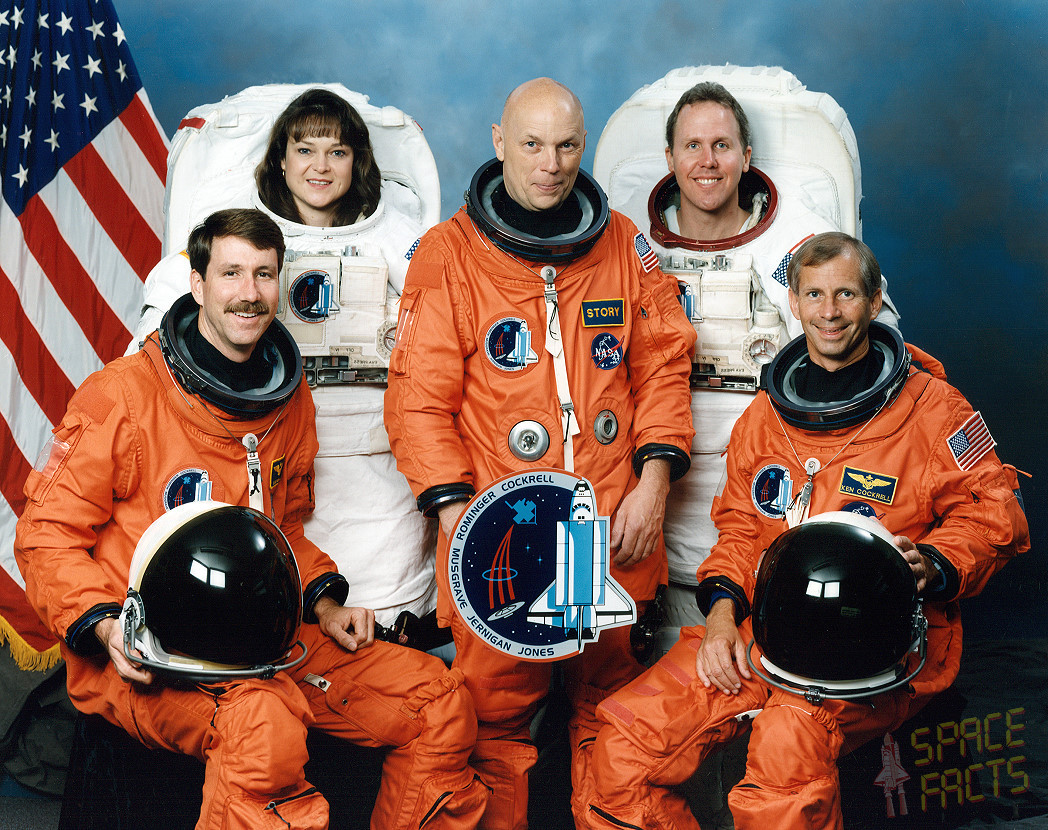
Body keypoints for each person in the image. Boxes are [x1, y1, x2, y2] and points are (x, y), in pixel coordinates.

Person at [16, 209, 488, 830]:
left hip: (263, 637)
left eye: (264, 274)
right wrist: (105, 628)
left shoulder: (286, 399)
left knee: (437, 701)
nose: (250, 292)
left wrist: (324, 605)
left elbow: (282, 528)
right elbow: (45, 535)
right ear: (197, 283)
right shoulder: (123, 396)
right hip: (154, 648)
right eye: (231, 272)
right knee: (262, 727)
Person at [584, 232, 1029, 829]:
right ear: (793, 302)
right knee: (620, 749)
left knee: (784, 751)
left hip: (874, 645)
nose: (829, 312)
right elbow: (739, 530)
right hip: (762, 632)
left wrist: (932, 561)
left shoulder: (933, 409)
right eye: (814, 295)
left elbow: (996, 513)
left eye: (845, 294)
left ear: (874, 302)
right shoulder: (764, 417)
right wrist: (721, 621)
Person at [383, 77, 696, 828]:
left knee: (614, 717)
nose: (550, 164)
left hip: (613, 527)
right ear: (499, 143)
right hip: (502, 533)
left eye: (566, 145)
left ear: (582, 146)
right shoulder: (448, 254)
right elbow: (418, 402)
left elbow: (663, 368)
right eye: (531, 144)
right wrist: (460, 521)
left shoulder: (624, 245)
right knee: (493, 724)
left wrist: (654, 485)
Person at [129, 88, 439, 636]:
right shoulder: (241, 238)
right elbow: (161, 330)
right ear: (280, 158)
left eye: (338, 152)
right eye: (305, 150)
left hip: (374, 466)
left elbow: (445, 325)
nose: (321, 166)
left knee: (382, 625)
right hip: (268, 447)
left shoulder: (396, 239)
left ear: (358, 162)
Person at [652, 81, 901, 634]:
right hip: (655, 506)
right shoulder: (633, 246)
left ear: (746, 156)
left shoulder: (793, 247)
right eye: (692, 146)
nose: (707, 161)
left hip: (770, 497)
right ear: (669, 158)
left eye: (722, 145)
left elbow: (870, 342)